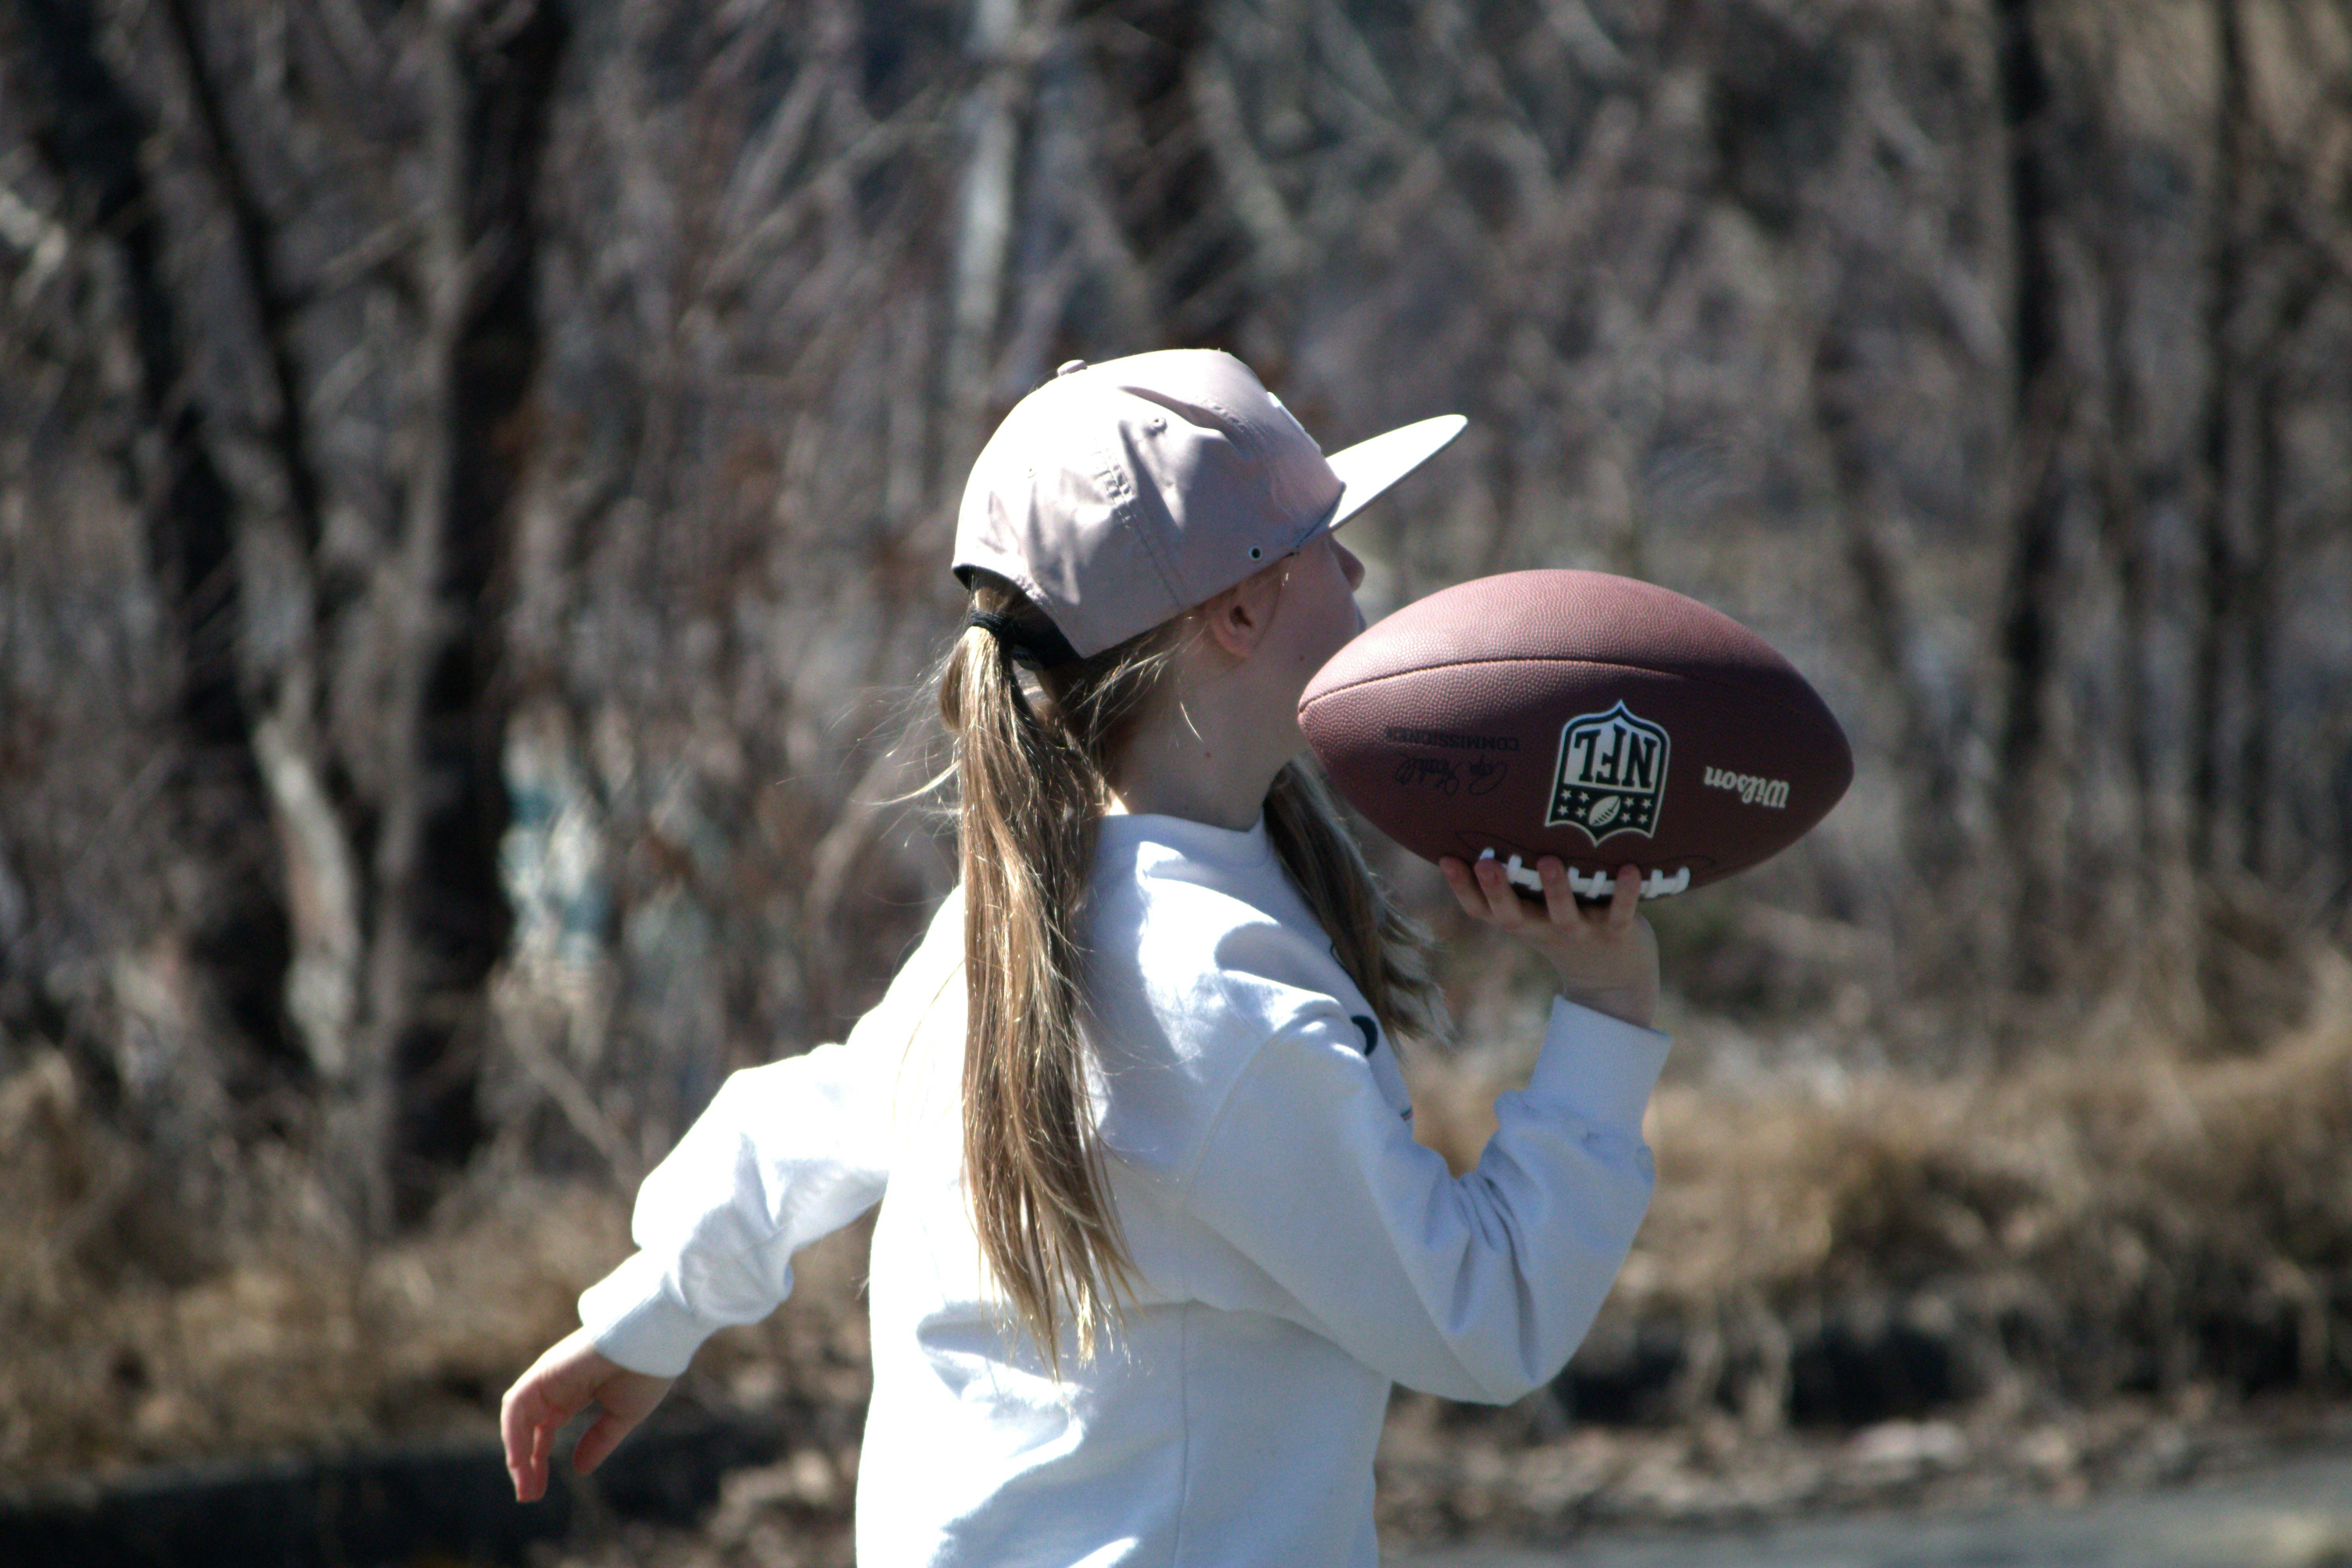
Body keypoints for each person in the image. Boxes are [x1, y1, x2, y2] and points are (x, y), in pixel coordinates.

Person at [499, 350, 1668, 1566]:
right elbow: (1490, 1318)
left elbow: (808, 1118)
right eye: (1326, 540)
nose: (1361, 569)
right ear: (1240, 610)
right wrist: (1608, 1001)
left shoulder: (1016, 934)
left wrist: (652, 1311)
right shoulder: (1218, 1012)